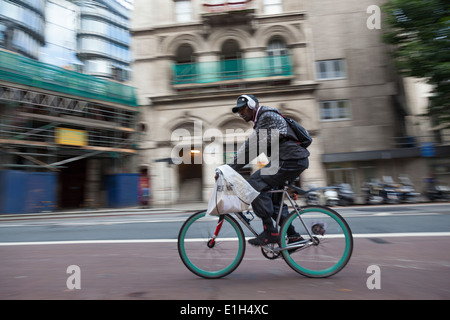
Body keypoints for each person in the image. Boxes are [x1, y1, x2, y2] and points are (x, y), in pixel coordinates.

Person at [218, 94, 310, 246]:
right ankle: (293, 236)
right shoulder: (262, 119)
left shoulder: (266, 116)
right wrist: (230, 168)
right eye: (238, 111)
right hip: (288, 160)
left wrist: (228, 168)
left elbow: (252, 146)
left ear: (253, 105)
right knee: (274, 203)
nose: (241, 113)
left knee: (253, 185)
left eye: (243, 109)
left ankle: (270, 232)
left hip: (290, 160)